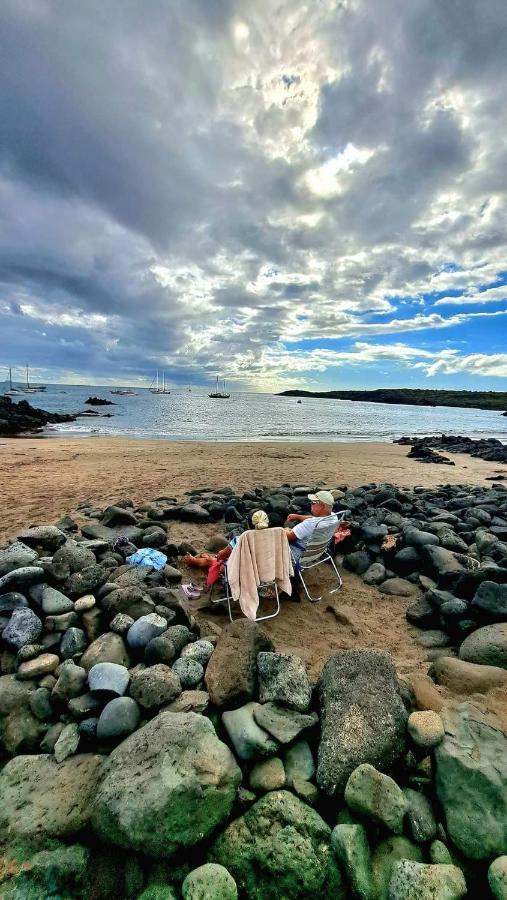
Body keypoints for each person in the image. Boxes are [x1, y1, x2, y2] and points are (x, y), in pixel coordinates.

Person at [285, 490, 339, 599]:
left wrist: (282, 530)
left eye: (314, 502)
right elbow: (314, 519)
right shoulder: (333, 517)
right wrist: (297, 516)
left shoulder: (309, 525)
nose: (311, 504)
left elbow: (288, 537)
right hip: (316, 552)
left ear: (322, 506)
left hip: (297, 555)